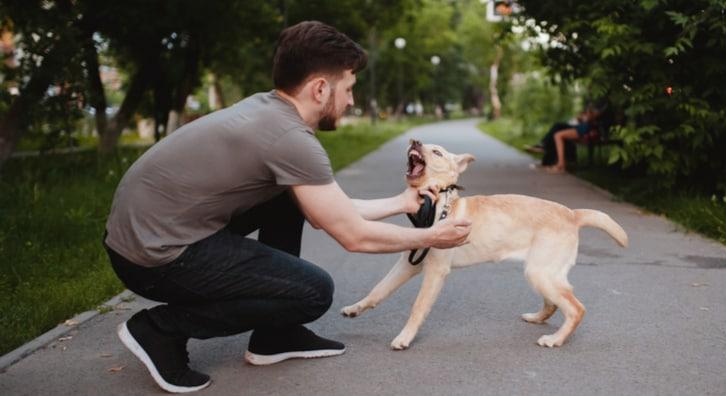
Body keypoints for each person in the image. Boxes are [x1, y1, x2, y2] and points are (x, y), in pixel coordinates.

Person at [103, 21, 471, 393]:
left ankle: (275, 336)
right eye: (348, 89)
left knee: (286, 199)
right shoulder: (290, 139)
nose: (351, 101)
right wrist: (432, 236)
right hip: (155, 259)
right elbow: (353, 236)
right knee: (313, 291)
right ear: (320, 88)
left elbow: (332, 210)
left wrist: (400, 202)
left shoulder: (268, 110)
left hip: (145, 238)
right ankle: (160, 330)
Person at [525, 108, 599, 173]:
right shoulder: (593, 105)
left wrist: (588, 116)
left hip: (587, 128)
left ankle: (559, 164)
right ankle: (545, 155)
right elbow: (585, 117)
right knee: (557, 126)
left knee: (558, 134)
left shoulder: (601, 106)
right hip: (582, 125)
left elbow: (595, 116)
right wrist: (581, 117)